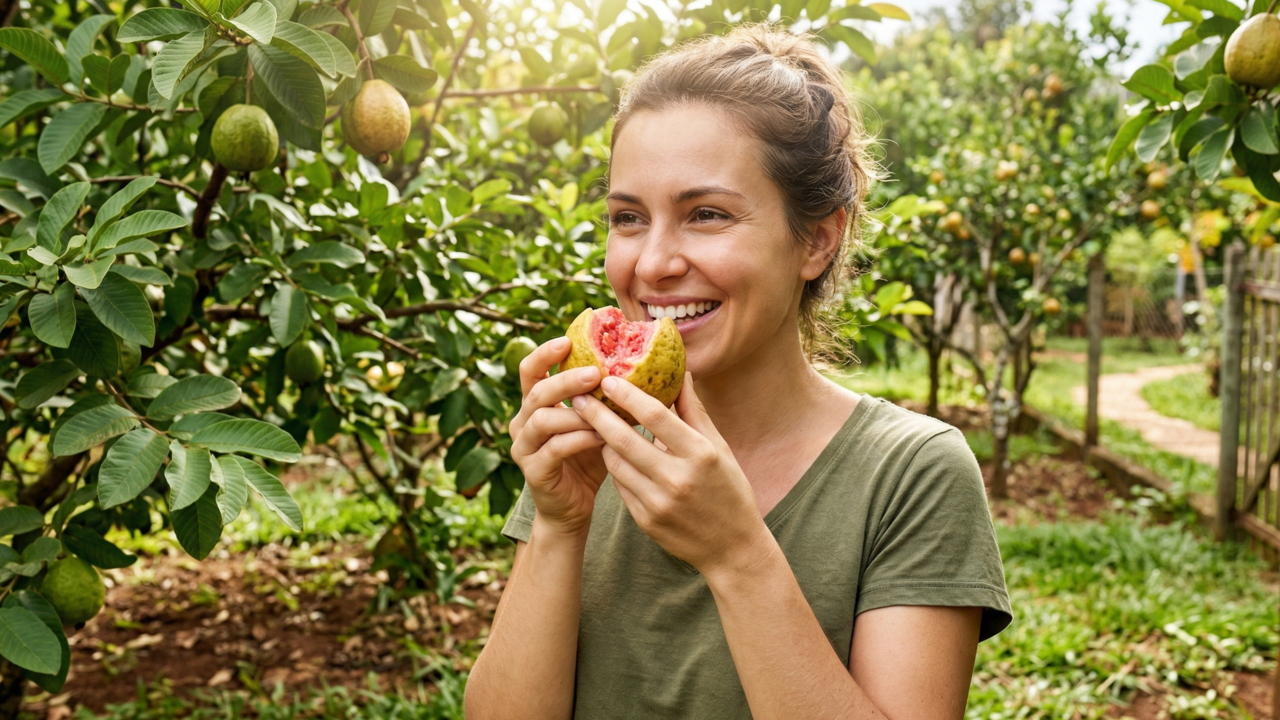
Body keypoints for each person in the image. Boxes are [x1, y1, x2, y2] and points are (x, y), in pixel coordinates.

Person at [464, 23, 1011, 720]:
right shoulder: (590, 445)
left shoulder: (911, 474)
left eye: (707, 214)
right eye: (628, 217)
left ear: (816, 240)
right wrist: (559, 526)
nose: (653, 263)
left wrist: (737, 554)